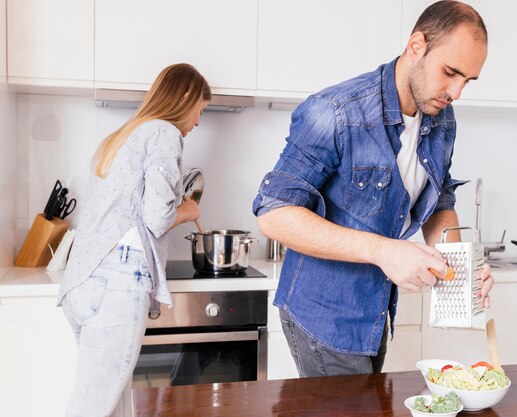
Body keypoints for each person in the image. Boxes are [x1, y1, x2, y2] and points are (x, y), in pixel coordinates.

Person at [252, 0, 494, 378]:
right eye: (450, 72)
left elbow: (441, 200)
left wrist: (462, 262)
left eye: (468, 80)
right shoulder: (335, 111)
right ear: (417, 46)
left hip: (375, 313)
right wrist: (385, 251)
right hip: (323, 313)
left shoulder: (442, 119)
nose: (457, 92)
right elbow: (274, 214)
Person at [58, 63, 211, 417]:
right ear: (185, 97)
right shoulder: (163, 133)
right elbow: (156, 218)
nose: (199, 123)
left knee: (114, 404)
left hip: (82, 282)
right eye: (200, 111)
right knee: (93, 408)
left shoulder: (122, 135)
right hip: (117, 281)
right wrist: (187, 211)